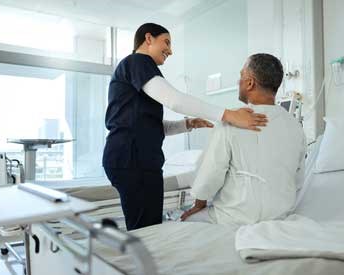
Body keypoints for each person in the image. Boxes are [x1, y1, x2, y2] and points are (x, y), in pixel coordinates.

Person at [103, 23, 268, 231]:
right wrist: (229, 115)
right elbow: (175, 100)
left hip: (130, 157)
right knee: (147, 232)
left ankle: (143, 261)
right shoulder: (138, 61)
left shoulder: (133, 69)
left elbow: (147, 126)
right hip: (132, 159)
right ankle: (140, 263)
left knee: (146, 228)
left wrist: (187, 124)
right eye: (167, 42)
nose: (170, 51)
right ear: (148, 39)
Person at [180, 53, 306, 226]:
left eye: (241, 76)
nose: (238, 81)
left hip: (233, 217)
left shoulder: (233, 122)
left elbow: (210, 174)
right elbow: (298, 179)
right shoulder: (295, 127)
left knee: (186, 220)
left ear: (250, 83)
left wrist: (198, 205)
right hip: (279, 217)